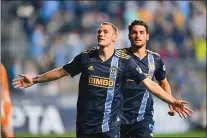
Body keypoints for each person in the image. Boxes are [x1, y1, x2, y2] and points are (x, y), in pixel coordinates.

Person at [12, 22, 193, 138]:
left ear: (114, 37)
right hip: (84, 126)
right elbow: (60, 72)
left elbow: (150, 83)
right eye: (99, 31)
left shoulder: (125, 63)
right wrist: (35, 80)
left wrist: (172, 100)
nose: (101, 34)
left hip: (110, 127)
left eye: (105, 31)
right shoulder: (85, 58)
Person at [120, 19, 182, 138]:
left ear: (147, 36)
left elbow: (163, 82)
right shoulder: (118, 57)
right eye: (134, 32)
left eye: (142, 32)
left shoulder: (155, 59)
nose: (138, 36)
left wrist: (170, 101)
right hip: (117, 117)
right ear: (129, 36)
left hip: (143, 118)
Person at [1, 63, 14, 138]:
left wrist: (1, 106)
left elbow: (1, 86)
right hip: (5, 102)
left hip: (3, 103)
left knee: (5, 132)